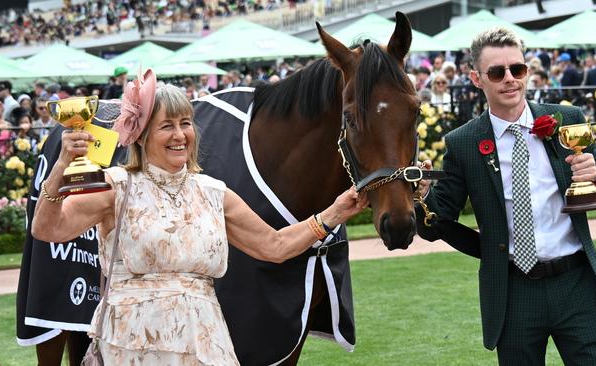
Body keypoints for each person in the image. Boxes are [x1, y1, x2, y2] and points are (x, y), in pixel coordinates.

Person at [31, 69, 368, 365]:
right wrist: (60, 169)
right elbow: (48, 229)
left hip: (204, 344)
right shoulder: (116, 187)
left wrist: (334, 212)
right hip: (131, 346)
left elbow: (275, 245)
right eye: (166, 126)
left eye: (186, 123)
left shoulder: (213, 192)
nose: (180, 135)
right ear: (143, 135)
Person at [416, 27, 596, 365]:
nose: (510, 79)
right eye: (497, 72)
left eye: (518, 69)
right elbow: (436, 223)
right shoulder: (463, 143)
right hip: (513, 292)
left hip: (576, 284)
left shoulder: (566, 121)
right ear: (476, 79)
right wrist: (422, 197)